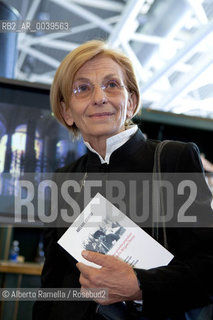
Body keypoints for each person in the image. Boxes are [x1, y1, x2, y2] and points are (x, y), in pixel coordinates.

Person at [33, 40, 213, 320]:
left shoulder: (172, 160)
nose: (99, 97)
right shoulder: (62, 180)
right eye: (82, 88)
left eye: (112, 85)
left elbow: (208, 268)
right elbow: (53, 282)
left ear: (131, 102)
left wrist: (139, 287)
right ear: (67, 112)